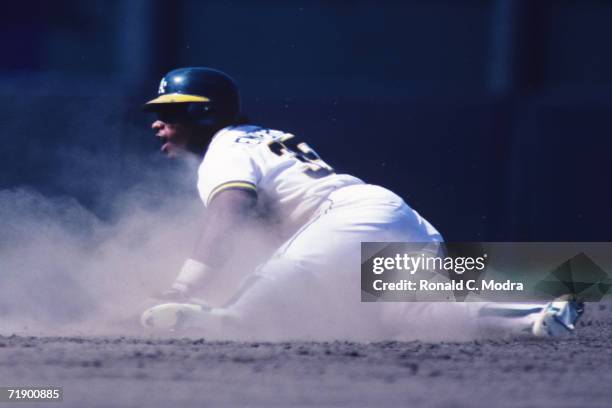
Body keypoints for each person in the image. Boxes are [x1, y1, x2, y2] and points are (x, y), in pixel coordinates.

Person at [139, 67, 583, 340]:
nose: (158, 122)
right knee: (415, 319)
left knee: (237, 317)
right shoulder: (255, 137)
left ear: (203, 112)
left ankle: (225, 319)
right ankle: (539, 314)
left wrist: (184, 288)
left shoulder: (225, 148)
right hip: (393, 221)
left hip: (349, 219)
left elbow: (228, 212)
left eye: (171, 111)